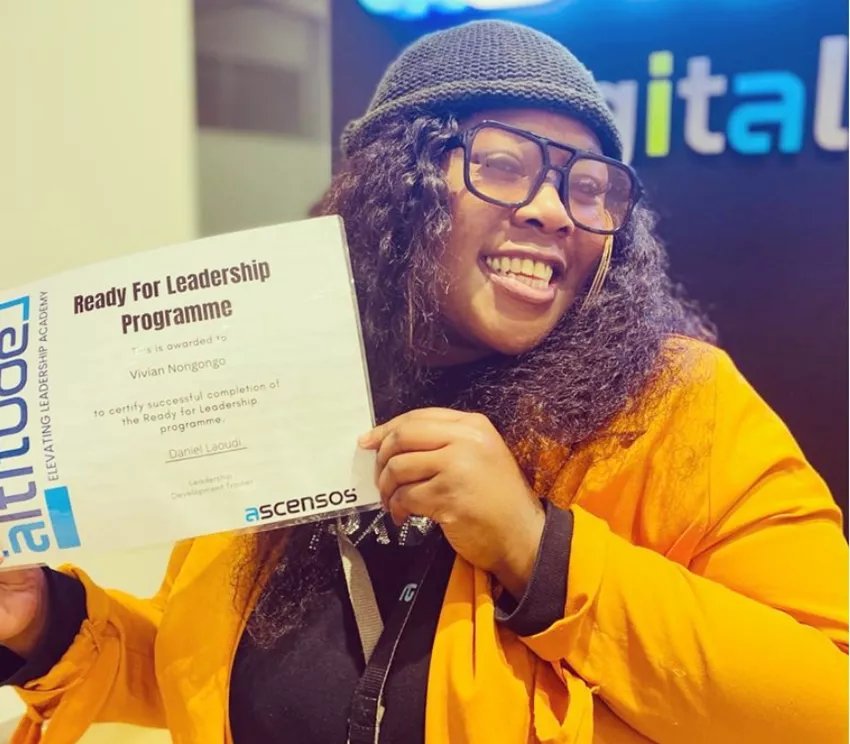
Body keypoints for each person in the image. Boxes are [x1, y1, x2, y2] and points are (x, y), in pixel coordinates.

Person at [0, 19, 846, 744]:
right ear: (394, 188)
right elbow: (213, 668)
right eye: (504, 165)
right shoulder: (277, 382)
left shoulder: (672, 406)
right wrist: (48, 624)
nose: (555, 210)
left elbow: (828, 701)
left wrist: (538, 553)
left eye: (589, 188)